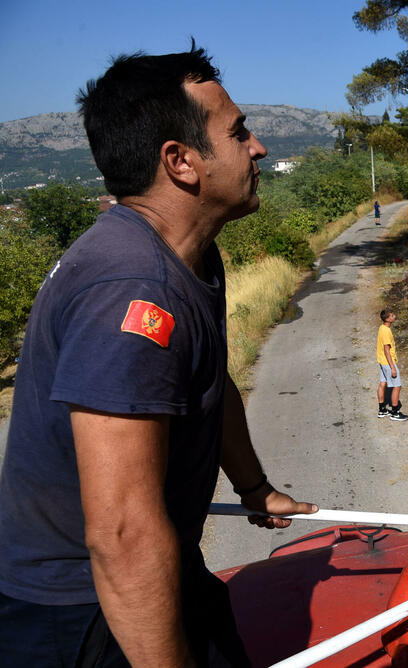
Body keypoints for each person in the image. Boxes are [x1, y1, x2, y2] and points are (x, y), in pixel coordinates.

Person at [0, 45, 317, 667]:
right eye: (238, 132)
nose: (258, 147)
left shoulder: (190, 252)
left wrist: (252, 486)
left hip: (156, 564)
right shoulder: (132, 288)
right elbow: (121, 535)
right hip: (80, 610)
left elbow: (208, 379)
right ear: (182, 163)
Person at [376, 309, 408, 421]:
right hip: (388, 363)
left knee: (383, 383)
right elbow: (387, 350)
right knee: (397, 386)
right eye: (392, 315)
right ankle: (395, 413)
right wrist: (392, 367)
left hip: (382, 361)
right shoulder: (386, 332)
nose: (394, 316)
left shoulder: (382, 328)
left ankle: (382, 410)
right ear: (387, 319)